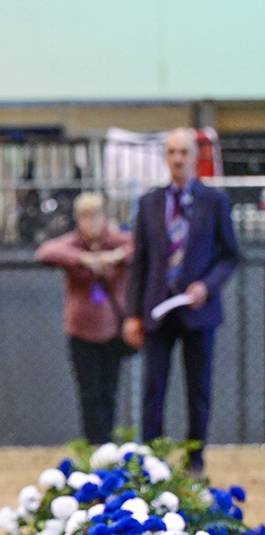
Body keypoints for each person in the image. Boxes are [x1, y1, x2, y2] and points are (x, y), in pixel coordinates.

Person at [123, 128, 240, 475]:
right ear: (165, 156)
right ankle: (151, 461)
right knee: (153, 388)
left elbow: (230, 255)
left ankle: (195, 459)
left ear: (194, 157)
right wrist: (132, 313)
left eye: (184, 152)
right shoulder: (149, 203)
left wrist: (207, 285)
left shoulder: (214, 202)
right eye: (172, 152)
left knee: (198, 389)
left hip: (198, 313)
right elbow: (139, 262)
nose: (178, 158)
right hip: (157, 311)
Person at [35, 193, 135, 444]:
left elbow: (140, 247)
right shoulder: (73, 244)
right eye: (84, 217)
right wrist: (84, 259)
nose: (91, 222)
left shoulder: (117, 242)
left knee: (109, 392)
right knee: (89, 393)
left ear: (105, 217)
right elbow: (45, 252)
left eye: (96, 216)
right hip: (81, 331)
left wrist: (114, 258)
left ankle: (109, 445)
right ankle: (93, 445)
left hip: (113, 330)